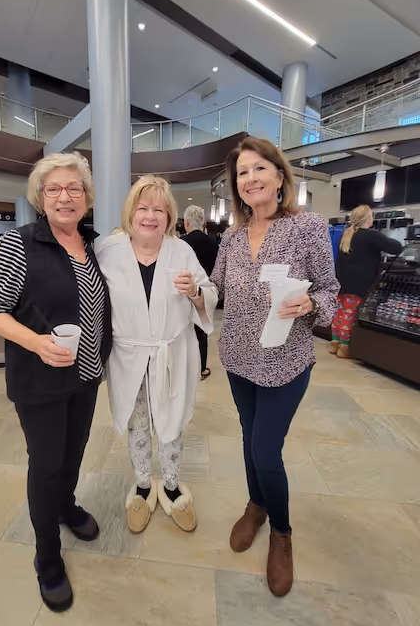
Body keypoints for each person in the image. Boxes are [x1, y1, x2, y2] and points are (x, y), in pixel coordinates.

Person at [0, 152, 112, 613]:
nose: (64, 196)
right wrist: (36, 342)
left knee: (74, 450)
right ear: (40, 197)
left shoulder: (92, 243)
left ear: (87, 197)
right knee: (47, 461)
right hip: (41, 377)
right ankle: (47, 556)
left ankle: (66, 506)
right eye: (54, 189)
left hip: (87, 372)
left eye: (74, 189)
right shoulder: (21, 244)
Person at [211, 136, 339, 597]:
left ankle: (281, 533)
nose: (250, 179)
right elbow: (216, 288)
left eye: (259, 169)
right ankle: (256, 505)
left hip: (286, 362)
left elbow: (329, 290)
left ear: (279, 176)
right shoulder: (231, 237)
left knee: (267, 450)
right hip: (239, 358)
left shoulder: (307, 227)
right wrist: (193, 290)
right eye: (242, 173)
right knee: (249, 438)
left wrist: (309, 303)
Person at [97, 176, 217, 535]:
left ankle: (173, 485)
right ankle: (143, 485)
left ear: (170, 217)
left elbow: (208, 295)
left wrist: (196, 291)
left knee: (171, 420)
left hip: (172, 352)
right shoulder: (108, 251)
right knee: (138, 423)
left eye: (159, 210)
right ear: (130, 213)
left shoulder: (181, 252)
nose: (150, 216)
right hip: (128, 355)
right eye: (143, 208)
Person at [333, 204, 401, 359]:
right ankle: (344, 347)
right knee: (350, 315)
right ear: (368, 219)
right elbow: (396, 247)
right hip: (360, 284)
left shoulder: (346, 234)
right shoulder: (370, 235)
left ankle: (335, 343)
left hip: (342, 282)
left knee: (340, 314)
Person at [182, 205, 219, 380]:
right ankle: (202, 368)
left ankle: (186, 367)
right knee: (202, 332)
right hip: (206, 292)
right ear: (203, 222)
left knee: (186, 331)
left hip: (184, 292)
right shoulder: (213, 242)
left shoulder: (182, 244)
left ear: (187, 222)